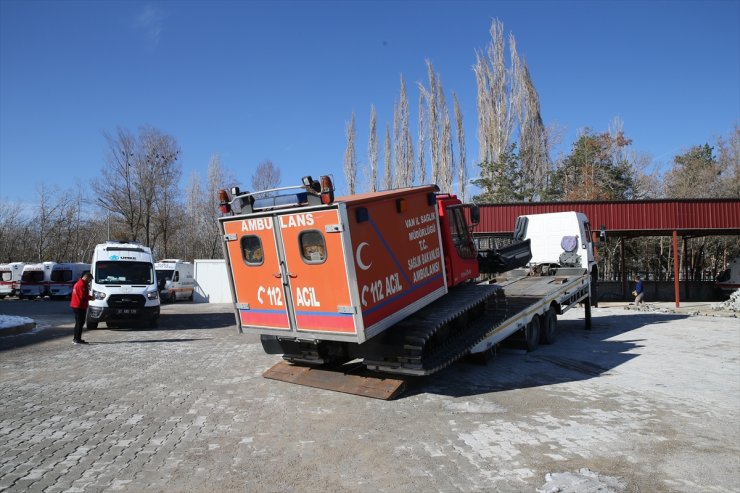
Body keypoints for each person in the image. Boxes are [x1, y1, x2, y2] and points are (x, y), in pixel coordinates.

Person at [70, 272, 93, 344]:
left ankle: (76, 338)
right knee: (80, 323)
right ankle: (77, 339)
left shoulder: (79, 283)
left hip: (77, 305)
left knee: (79, 323)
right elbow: (83, 296)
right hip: (79, 306)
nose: (89, 281)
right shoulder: (81, 284)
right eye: (89, 279)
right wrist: (91, 297)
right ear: (86, 277)